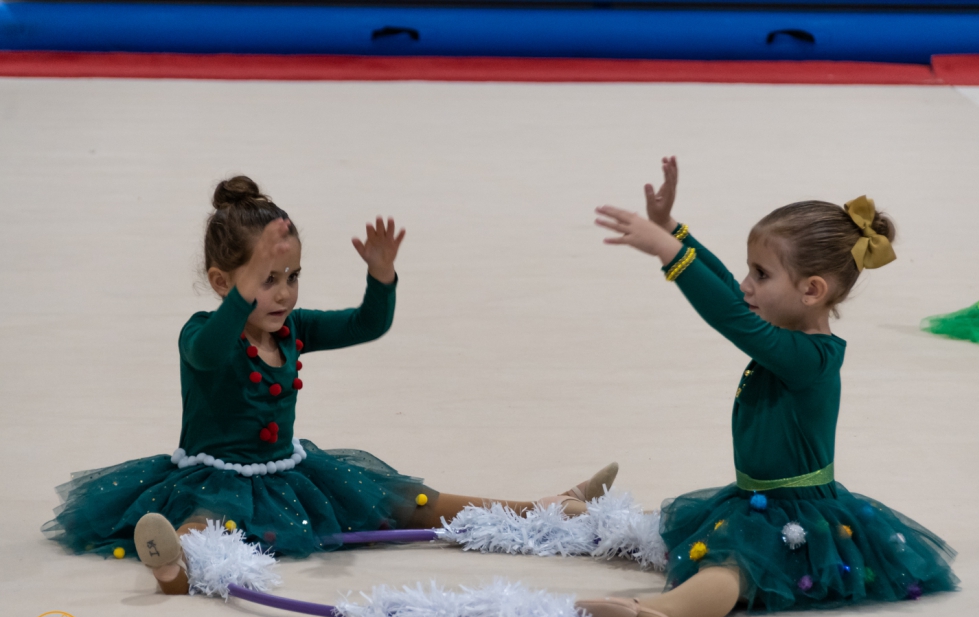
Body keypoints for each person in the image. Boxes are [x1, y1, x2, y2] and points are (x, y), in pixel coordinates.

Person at [43, 176, 617, 594]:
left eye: (292, 276)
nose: (284, 292)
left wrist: (381, 278)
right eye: (266, 279)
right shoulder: (201, 334)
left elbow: (366, 325)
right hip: (214, 479)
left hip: (293, 475)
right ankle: (172, 568)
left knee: (414, 502)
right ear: (222, 282)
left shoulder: (293, 327)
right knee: (206, 524)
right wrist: (242, 297)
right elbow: (208, 352)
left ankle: (544, 507)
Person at [577, 157, 957, 617]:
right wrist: (672, 229)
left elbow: (732, 317)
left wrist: (670, 253)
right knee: (691, 542)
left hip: (793, 517)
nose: (745, 285)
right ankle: (566, 512)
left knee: (731, 570)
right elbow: (730, 295)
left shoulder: (810, 358)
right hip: (752, 500)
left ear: (811, 290)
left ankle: (657, 612)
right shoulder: (788, 338)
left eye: (760, 274)